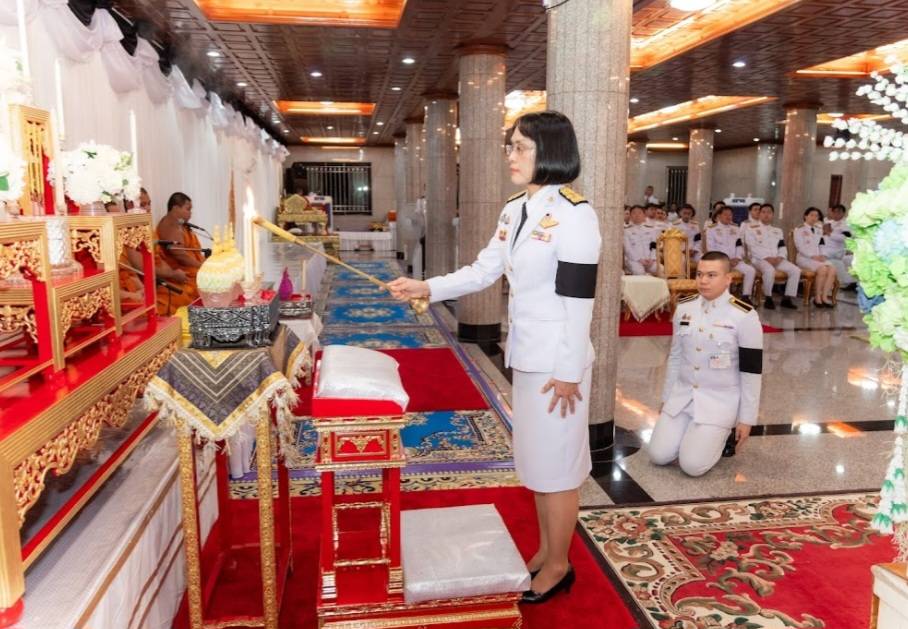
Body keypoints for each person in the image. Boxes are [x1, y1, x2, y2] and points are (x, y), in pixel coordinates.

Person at [388, 111, 599, 604]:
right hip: (527, 354)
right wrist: (426, 286)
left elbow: (578, 302)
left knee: (558, 468)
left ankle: (560, 565)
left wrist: (569, 371)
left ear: (551, 152)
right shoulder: (515, 209)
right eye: (511, 146)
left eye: (521, 147)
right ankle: (547, 551)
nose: (511, 155)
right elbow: (484, 269)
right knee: (538, 463)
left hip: (558, 363)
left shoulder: (576, 215)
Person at [648, 251, 763, 476]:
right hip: (683, 396)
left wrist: (746, 419)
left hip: (718, 401)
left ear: (728, 279)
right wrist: (667, 398)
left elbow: (751, 371)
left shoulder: (744, 315)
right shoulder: (685, 308)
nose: (703, 280)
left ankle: (720, 436)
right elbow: (676, 357)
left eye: (711, 275)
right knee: (658, 455)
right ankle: (694, 436)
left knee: (692, 466)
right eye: (699, 274)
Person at [744, 203, 799, 310]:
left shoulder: (777, 230)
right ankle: (768, 297)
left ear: (773, 215)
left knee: (795, 270)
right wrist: (766, 257)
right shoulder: (750, 228)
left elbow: (782, 246)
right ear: (759, 214)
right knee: (769, 270)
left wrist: (780, 257)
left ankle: (787, 298)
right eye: (763, 212)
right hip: (759, 259)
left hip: (776, 259)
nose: (766, 215)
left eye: (769, 212)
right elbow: (752, 247)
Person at [155, 192, 203, 315]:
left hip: (190, 269)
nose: (190, 213)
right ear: (175, 208)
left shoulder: (180, 225)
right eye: (188, 209)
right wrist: (203, 267)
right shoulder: (170, 224)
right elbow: (180, 256)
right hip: (181, 273)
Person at [706, 206, 756, 305]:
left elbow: (739, 245)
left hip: (735, 260)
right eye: (725, 214)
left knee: (750, 270)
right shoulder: (712, 229)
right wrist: (726, 260)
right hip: (720, 261)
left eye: (730, 215)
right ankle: (725, 298)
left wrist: (737, 258)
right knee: (726, 273)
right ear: (719, 216)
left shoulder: (736, 228)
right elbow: (711, 249)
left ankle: (745, 297)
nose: (728, 217)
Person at [795, 207, 836, 308]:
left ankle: (824, 297)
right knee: (822, 269)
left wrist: (823, 255)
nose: (814, 218)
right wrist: (812, 256)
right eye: (811, 215)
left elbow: (822, 245)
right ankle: (817, 298)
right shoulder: (799, 230)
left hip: (818, 258)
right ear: (805, 216)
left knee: (832, 269)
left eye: (816, 216)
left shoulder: (818, 230)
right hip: (805, 258)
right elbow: (800, 247)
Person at [823, 204, 856, 289]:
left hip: (837, 250)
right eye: (834, 212)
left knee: (822, 258)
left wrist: (829, 234)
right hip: (827, 248)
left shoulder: (845, 224)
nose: (836, 214)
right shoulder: (830, 223)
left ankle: (847, 282)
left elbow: (845, 238)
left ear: (843, 213)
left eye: (839, 212)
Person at [624, 205, 658, 276]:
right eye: (634, 213)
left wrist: (652, 259)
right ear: (630, 216)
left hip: (649, 259)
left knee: (659, 269)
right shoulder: (626, 230)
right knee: (639, 272)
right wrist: (640, 259)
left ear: (644, 215)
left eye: (639, 213)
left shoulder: (651, 229)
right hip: (634, 260)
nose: (637, 215)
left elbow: (654, 246)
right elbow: (628, 249)